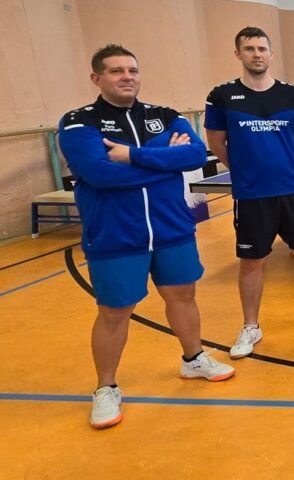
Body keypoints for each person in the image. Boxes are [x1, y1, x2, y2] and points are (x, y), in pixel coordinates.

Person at [58, 44, 235, 429]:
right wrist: (164, 160)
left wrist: (133, 155)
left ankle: (193, 359)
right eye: (117, 71)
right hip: (116, 235)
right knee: (114, 312)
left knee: (183, 296)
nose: (127, 77)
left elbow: (195, 156)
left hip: (172, 227)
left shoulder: (164, 115)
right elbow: (100, 174)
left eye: (132, 70)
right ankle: (106, 387)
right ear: (97, 78)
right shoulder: (78, 122)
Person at [205, 26, 294, 359]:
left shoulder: (292, 95)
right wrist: (247, 169)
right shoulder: (222, 96)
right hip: (252, 195)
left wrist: (282, 165)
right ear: (238, 54)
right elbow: (217, 143)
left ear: (271, 54)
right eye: (249, 49)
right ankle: (251, 326)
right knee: (252, 262)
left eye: (262, 49)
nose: (257, 54)